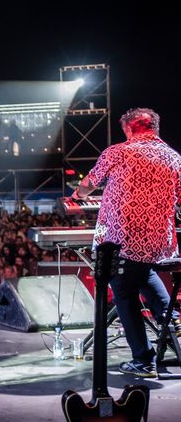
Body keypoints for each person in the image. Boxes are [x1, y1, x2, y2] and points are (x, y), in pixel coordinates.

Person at [72, 108, 181, 377]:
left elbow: (89, 183)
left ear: (130, 129)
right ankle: (172, 318)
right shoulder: (174, 158)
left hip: (123, 240)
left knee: (124, 293)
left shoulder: (118, 152)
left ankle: (143, 361)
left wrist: (78, 194)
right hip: (159, 243)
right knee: (143, 272)